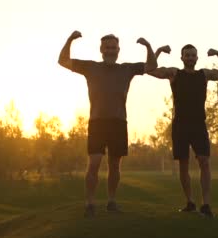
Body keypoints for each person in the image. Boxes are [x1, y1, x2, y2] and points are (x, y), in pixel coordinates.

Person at [58, 30, 156, 217]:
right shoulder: (90, 67)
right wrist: (70, 39)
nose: (111, 50)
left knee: (114, 165)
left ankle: (111, 201)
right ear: (101, 50)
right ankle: (90, 203)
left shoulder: (126, 68)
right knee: (94, 164)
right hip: (97, 123)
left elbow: (152, 66)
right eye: (107, 47)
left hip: (119, 122)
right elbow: (63, 61)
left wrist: (148, 46)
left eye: (114, 47)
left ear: (118, 50)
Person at [149, 44, 218, 218]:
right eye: (187, 55)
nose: (190, 58)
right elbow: (150, 69)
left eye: (193, 55)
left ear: (196, 58)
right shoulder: (174, 73)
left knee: (204, 162)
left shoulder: (204, 74)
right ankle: (190, 202)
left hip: (198, 124)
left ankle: (206, 204)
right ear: (182, 58)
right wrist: (158, 51)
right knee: (183, 164)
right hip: (180, 125)